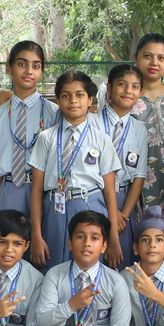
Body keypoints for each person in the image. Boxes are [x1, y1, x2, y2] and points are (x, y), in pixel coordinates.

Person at [29, 70, 120, 269]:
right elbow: (36, 189)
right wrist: (36, 234)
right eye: (66, 96)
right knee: (55, 265)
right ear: (58, 100)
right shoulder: (46, 138)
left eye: (80, 95)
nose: (73, 101)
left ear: (90, 100)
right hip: (55, 208)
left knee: (89, 266)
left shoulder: (101, 139)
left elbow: (109, 190)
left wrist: (113, 237)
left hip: (90, 205)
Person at [0, 41, 58, 217]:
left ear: (42, 71)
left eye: (36, 66)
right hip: (10, 188)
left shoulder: (54, 112)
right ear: (9, 68)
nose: (29, 71)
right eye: (21, 64)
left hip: (45, 190)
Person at [127, 33, 164, 223]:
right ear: (136, 58)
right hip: (134, 183)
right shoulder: (124, 98)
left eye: (161, 58)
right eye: (147, 56)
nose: (154, 63)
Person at [100, 63, 149, 267]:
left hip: (124, 203)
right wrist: (111, 214)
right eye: (122, 84)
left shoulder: (139, 129)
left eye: (135, 86)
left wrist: (123, 215)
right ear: (109, 87)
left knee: (121, 262)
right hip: (96, 198)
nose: (129, 90)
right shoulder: (92, 122)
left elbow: (139, 177)